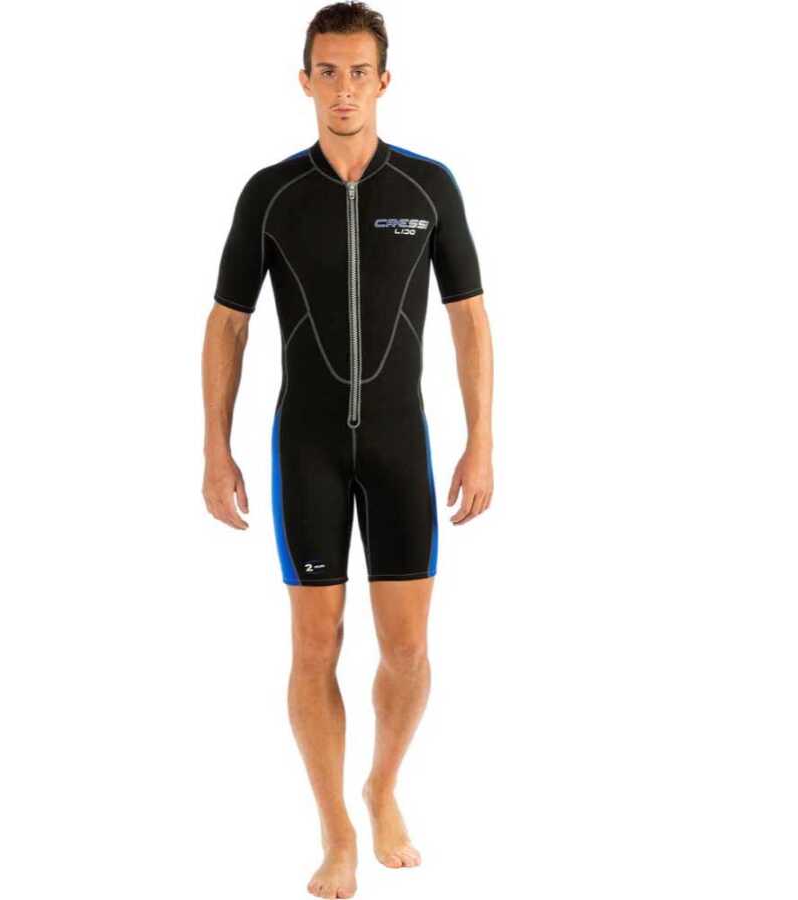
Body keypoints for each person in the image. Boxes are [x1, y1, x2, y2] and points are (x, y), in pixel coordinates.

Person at [201, 3, 494, 897]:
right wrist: (215, 449)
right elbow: (227, 324)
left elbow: (470, 319)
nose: (343, 89)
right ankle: (335, 828)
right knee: (314, 644)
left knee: (407, 650)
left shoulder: (429, 188)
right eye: (326, 71)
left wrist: (482, 441)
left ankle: (382, 787)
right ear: (305, 81)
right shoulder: (271, 194)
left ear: (383, 81)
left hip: (402, 445)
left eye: (358, 72)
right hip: (309, 447)